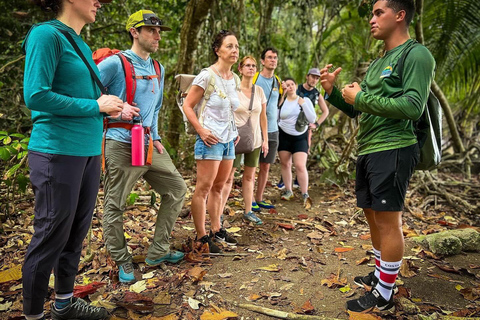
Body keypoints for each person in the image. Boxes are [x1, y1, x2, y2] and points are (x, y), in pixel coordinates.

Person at [320, 0, 435, 313]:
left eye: (378, 12)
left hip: (394, 146)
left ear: (399, 16)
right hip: (369, 148)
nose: (371, 19)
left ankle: (384, 292)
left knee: (388, 221)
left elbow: (413, 106)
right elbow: (359, 109)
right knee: (372, 214)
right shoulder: (378, 62)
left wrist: (362, 96)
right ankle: (380, 271)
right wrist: (333, 93)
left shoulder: (416, 55)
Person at [22, 0, 120, 319]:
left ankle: (63, 304)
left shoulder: (79, 41)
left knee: (74, 234)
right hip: (57, 151)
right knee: (50, 236)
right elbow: (35, 95)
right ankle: (34, 314)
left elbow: (85, 98)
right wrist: (95, 106)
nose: (99, 2)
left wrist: (105, 105)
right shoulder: (46, 35)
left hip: (88, 152)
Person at [97, 10, 187, 283]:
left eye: (159, 31)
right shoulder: (115, 63)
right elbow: (86, 92)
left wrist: (157, 137)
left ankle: (158, 251)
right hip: (120, 143)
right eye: (151, 30)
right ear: (135, 32)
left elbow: (156, 108)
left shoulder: (158, 68)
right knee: (115, 204)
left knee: (176, 189)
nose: (157, 36)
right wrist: (115, 108)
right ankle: (122, 260)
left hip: (148, 144)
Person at [183, 30, 240, 253]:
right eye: (229, 46)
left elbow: (229, 108)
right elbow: (188, 105)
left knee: (220, 186)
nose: (234, 50)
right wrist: (201, 130)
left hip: (228, 140)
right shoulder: (207, 76)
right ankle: (201, 237)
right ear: (217, 50)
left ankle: (216, 229)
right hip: (209, 139)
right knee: (203, 188)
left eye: (236, 46)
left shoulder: (234, 78)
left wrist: (234, 130)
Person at [221, 56, 269, 226]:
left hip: (254, 139)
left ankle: (248, 211)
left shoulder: (259, 91)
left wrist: (265, 139)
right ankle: (219, 212)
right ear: (240, 69)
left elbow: (263, 116)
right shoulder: (233, 90)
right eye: (247, 65)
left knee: (249, 176)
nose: (251, 68)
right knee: (228, 177)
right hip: (234, 139)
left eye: (253, 66)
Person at [277, 67, 329, 189]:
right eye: (312, 77)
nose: (314, 80)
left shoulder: (316, 94)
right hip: (287, 127)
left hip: (303, 126)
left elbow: (325, 111)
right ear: (307, 76)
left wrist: (316, 124)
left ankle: (298, 181)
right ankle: (284, 180)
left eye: (317, 78)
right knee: (286, 158)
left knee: (302, 155)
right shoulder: (296, 88)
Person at [277, 78, 316, 206]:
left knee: (300, 165)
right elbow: (277, 117)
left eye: (292, 84)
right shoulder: (282, 101)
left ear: (296, 86)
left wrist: (303, 104)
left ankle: (305, 193)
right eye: (287, 85)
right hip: (284, 135)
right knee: (285, 164)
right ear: (285, 88)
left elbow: (312, 118)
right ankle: (289, 191)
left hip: (300, 136)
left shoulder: (305, 100)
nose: (290, 87)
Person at [253, 47, 283, 211]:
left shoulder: (277, 81)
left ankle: (259, 198)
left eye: (275, 58)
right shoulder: (255, 78)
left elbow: (277, 104)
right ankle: (249, 199)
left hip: (272, 129)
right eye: (269, 57)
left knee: (266, 166)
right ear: (262, 61)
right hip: (254, 129)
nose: (273, 60)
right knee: (251, 166)